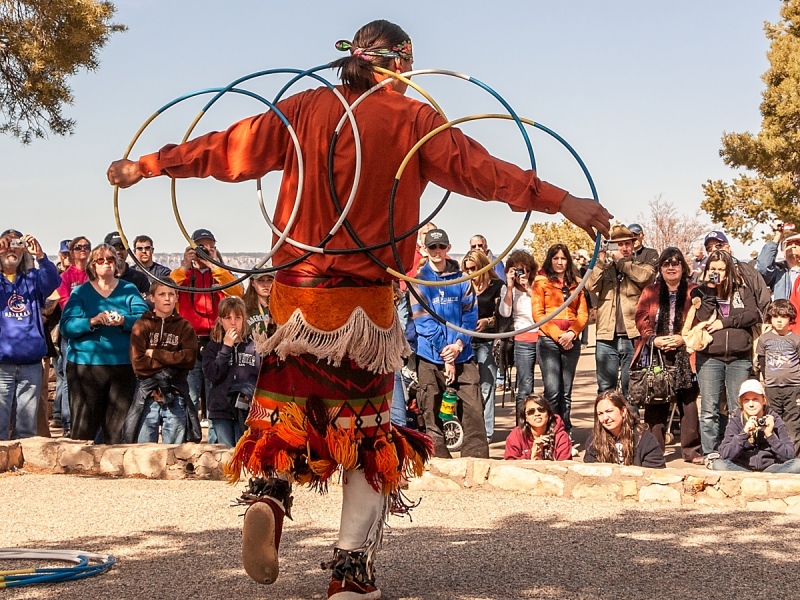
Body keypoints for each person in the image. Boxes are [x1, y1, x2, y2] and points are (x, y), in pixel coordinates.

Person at [106, 18, 612, 598]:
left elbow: (227, 150)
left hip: (298, 300)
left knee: (288, 418)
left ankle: (271, 493)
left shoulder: (302, 109)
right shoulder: (414, 120)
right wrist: (562, 200)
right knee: (367, 440)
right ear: (400, 65)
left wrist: (148, 165)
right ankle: (350, 570)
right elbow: (485, 174)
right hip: (366, 310)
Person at [60, 244, 148, 444]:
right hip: (86, 366)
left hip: (122, 365)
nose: (106, 263)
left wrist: (123, 320)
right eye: (101, 260)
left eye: (110, 259)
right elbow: (67, 326)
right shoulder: (81, 292)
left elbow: (145, 319)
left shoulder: (128, 289)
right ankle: (79, 469)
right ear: (92, 265)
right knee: (84, 427)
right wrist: (91, 321)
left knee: (117, 429)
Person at [412, 229, 486, 458]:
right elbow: (422, 321)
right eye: (432, 247)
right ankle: (437, 460)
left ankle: (476, 461)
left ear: (448, 248)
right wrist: (446, 354)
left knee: (473, 409)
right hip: (430, 356)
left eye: (441, 247)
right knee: (431, 411)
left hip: (462, 354)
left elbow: (470, 316)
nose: (437, 251)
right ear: (424, 249)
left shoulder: (462, 280)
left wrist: (458, 345)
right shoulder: (418, 281)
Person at [170, 228, 244, 428]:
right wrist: (185, 266)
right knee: (190, 394)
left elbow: (237, 291)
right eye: (201, 247)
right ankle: (190, 438)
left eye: (210, 247)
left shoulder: (220, 276)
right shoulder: (184, 276)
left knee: (216, 394)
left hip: (217, 341)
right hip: (190, 341)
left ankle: (214, 438)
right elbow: (167, 288)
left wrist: (214, 265)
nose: (205, 250)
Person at [690, 250, 760, 464]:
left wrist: (726, 322)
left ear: (729, 270)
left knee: (736, 408)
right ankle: (710, 451)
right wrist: (710, 290)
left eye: (721, 270)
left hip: (739, 357)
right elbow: (702, 316)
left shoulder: (742, 290)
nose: (717, 273)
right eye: (713, 270)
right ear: (707, 270)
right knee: (709, 408)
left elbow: (753, 314)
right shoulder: (700, 292)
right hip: (710, 357)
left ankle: (736, 449)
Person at [634, 247, 702, 463]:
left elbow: (702, 319)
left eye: (676, 263)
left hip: (686, 351)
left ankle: (691, 451)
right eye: (666, 264)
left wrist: (684, 338)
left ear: (683, 267)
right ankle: (654, 450)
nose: (671, 267)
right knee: (656, 400)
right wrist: (653, 338)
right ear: (660, 268)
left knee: (688, 402)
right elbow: (642, 317)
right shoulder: (650, 291)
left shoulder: (694, 291)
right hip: (657, 350)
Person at [0, 230, 60, 440]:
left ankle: (24, 466)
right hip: (2, 363)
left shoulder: (32, 278)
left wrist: (41, 256)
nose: (10, 249)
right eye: (6, 244)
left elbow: (53, 281)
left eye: (16, 243)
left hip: (30, 362)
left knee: (26, 426)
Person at [587, 225, 656, 397]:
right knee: (605, 389)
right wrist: (601, 259)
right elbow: (590, 285)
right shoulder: (604, 268)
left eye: (627, 244)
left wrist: (622, 263)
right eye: (619, 245)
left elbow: (646, 278)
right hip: (606, 336)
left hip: (632, 335)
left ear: (634, 245)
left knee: (631, 389)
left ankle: (630, 424)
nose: (623, 248)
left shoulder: (641, 266)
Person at [128, 279, 198, 444]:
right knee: (143, 453)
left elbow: (188, 359)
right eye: (161, 294)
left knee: (174, 454)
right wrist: (173, 358)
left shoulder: (185, 327)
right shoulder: (142, 325)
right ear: (152, 298)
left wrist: (156, 354)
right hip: (148, 395)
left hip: (176, 393)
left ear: (176, 298)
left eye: (171, 294)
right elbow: (138, 363)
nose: (167, 298)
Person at [532, 244, 587, 436]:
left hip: (571, 340)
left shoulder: (576, 282)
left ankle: (565, 432)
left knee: (566, 392)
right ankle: (550, 432)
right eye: (556, 258)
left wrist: (572, 333)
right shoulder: (541, 281)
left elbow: (583, 313)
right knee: (552, 391)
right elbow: (538, 314)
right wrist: (559, 336)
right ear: (550, 260)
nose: (560, 262)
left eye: (563, 258)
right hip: (548, 341)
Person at [203, 297, 260, 448]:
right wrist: (226, 348)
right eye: (228, 318)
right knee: (225, 456)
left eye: (238, 317)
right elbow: (212, 374)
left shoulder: (254, 346)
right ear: (220, 321)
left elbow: (261, 377)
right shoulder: (213, 346)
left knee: (244, 453)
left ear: (244, 319)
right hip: (221, 410)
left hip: (246, 410)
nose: (233, 322)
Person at [461, 249, 504, 442]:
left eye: (474, 268)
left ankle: (486, 432)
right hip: (465, 341)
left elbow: (504, 317)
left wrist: (488, 321)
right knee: (466, 387)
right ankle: (468, 429)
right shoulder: (462, 286)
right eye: (467, 269)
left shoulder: (497, 286)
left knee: (487, 385)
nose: (471, 273)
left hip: (487, 340)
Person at [713, 379, 800, 473]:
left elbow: (790, 455)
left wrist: (770, 436)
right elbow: (725, 454)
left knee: (797, 464)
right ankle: (750, 477)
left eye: (755, 399)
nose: (751, 404)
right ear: (741, 403)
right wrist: (744, 434)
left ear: (764, 400)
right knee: (719, 465)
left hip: (770, 468)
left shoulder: (774, 419)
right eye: (746, 400)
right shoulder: (737, 420)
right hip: (743, 467)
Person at [53, 236, 92, 435]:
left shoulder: (95, 274)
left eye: (86, 247)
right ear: (72, 251)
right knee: (69, 378)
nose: (82, 250)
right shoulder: (66, 276)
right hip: (73, 331)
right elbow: (65, 302)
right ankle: (68, 423)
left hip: (94, 332)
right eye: (78, 247)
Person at [498, 249, 540, 419]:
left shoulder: (537, 286)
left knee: (550, 385)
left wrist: (528, 288)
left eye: (527, 270)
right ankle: (522, 426)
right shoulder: (508, 289)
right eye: (518, 271)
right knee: (525, 386)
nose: (523, 274)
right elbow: (505, 312)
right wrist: (509, 287)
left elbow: (542, 307)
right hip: (522, 339)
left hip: (543, 337)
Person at [756, 299, 800, 455]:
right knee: (773, 419)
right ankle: (774, 453)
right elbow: (761, 362)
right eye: (775, 317)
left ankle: (792, 455)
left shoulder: (796, 339)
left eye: (783, 317)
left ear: (790, 319)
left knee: (793, 421)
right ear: (770, 318)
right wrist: (765, 381)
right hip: (772, 387)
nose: (779, 321)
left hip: (794, 387)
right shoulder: (764, 339)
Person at [584, 390, 666, 468]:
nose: (605, 418)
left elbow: (655, 472)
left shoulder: (645, 440)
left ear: (623, 411)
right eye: (600, 413)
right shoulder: (593, 441)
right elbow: (590, 473)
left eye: (609, 411)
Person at [704, 230, 770, 314]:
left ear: (728, 248)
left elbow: (763, 300)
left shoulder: (747, 271)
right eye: (709, 248)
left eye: (718, 245)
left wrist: (767, 321)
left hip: (747, 323)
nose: (713, 249)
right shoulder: (704, 276)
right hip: (717, 324)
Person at [503, 394, 571, 460]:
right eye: (531, 411)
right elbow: (509, 465)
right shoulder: (516, 436)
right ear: (525, 417)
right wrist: (530, 455)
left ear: (548, 414)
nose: (537, 414)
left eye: (541, 409)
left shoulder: (561, 436)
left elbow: (565, 465)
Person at [105, 231, 151, 297]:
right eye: (114, 248)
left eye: (122, 247)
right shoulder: (99, 278)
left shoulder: (140, 278)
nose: (118, 252)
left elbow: (149, 301)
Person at [243, 272, 277, 341]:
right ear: (252, 283)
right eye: (260, 280)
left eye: (269, 280)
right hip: (250, 349)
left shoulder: (281, 306)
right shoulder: (243, 306)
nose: (265, 285)